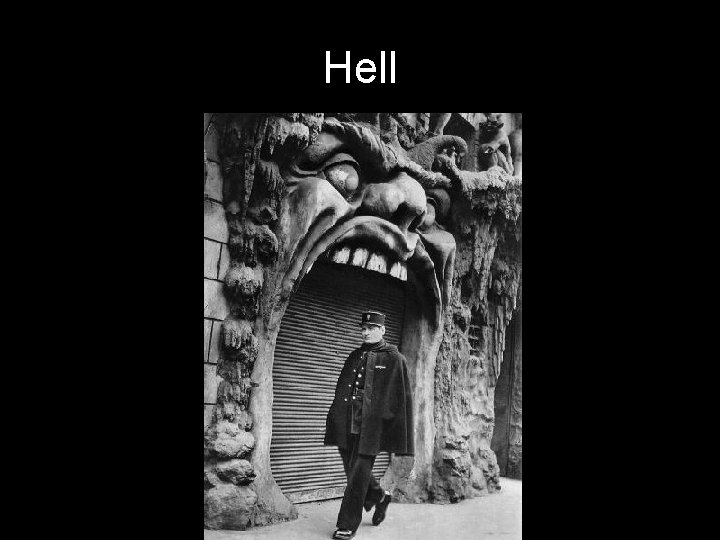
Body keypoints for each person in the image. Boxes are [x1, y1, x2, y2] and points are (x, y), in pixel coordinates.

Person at [324, 310, 414, 540]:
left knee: (358, 473)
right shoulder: (355, 355)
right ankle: (379, 497)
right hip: (349, 420)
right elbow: (343, 389)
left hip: (373, 427)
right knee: (352, 467)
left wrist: (388, 423)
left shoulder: (395, 358)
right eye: (363, 329)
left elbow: (400, 398)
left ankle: (347, 524)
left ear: (382, 330)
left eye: (371, 328)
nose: (365, 332)